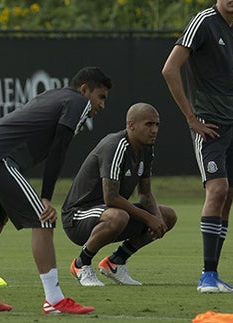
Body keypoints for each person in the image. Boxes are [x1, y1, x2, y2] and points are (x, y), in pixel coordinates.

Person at [0, 67, 112, 315]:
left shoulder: (55, 95)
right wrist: (46, 197)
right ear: (85, 89)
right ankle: (54, 299)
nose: (102, 105)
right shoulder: (77, 101)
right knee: (44, 219)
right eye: (101, 97)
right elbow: (59, 148)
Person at [161, 0, 233, 293]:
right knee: (215, 190)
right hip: (209, 125)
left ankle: (214, 275)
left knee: (227, 196)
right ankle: (206, 277)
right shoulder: (202, 23)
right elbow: (170, 69)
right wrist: (191, 118)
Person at [62, 103, 177, 287]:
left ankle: (116, 262)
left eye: (157, 125)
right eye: (149, 124)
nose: (154, 130)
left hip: (110, 214)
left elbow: (145, 193)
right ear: (131, 125)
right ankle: (80, 264)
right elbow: (111, 198)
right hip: (78, 216)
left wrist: (156, 217)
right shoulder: (116, 146)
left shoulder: (146, 148)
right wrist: (148, 218)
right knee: (119, 215)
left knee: (168, 216)